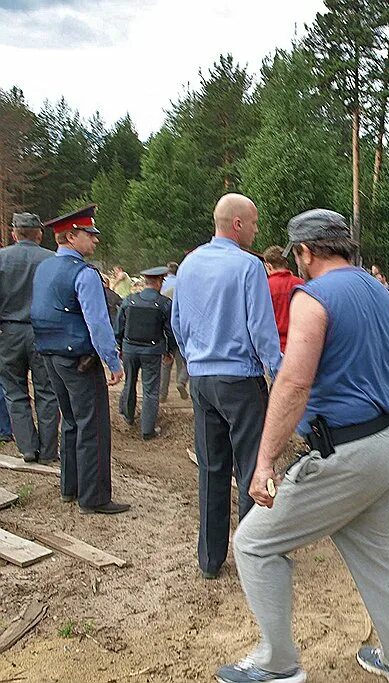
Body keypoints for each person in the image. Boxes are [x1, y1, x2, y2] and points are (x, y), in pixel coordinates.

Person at [215, 209, 389, 683]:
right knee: (381, 557)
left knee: (253, 544)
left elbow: (292, 383)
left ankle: (278, 664)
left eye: (299, 257)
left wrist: (264, 461)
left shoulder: (315, 295)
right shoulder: (379, 290)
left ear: (306, 252)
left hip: (347, 453)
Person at [171, 193, 281, 579]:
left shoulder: (188, 264)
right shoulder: (249, 267)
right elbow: (261, 327)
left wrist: (196, 359)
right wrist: (279, 370)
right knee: (254, 468)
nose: (256, 229)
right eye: (253, 222)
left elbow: (178, 323)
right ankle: (254, 555)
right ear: (237, 224)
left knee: (212, 467)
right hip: (240, 379)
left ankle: (210, 558)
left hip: (202, 378)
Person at [31, 205, 128, 514]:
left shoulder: (45, 267)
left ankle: (70, 488)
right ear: (72, 236)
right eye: (90, 234)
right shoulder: (83, 273)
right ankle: (94, 498)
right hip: (78, 359)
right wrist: (112, 362)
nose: (95, 241)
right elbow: (98, 323)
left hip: (50, 354)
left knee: (70, 422)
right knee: (93, 426)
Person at [0, 212, 59, 464]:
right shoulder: (52, 260)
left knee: (14, 391)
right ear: (39, 234)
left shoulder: (1, 259)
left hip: (8, 332)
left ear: (14, 234)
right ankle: (47, 452)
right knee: (47, 391)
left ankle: (26, 447)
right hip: (43, 332)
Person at [115, 266, 177, 440]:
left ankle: (128, 416)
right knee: (150, 389)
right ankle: (147, 430)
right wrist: (169, 350)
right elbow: (170, 331)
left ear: (144, 282)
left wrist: (120, 346)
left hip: (129, 349)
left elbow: (119, 326)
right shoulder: (164, 303)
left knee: (129, 382)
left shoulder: (129, 300)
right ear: (158, 281)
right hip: (152, 350)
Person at [263, 245, 305, 353]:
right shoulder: (301, 284)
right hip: (300, 344)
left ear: (268, 265)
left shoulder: (264, 287)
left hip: (275, 347)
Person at [159, 262, 189, 402]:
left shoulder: (164, 285)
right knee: (184, 361)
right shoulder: (182, 284)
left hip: (166, 327)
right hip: (181, 327)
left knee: (166, 362)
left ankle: (162, 394)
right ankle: (181, 381)